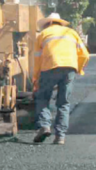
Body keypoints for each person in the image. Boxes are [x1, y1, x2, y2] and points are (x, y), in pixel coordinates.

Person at [32, 13, 89, 145]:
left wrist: (36, 79)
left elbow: (37, 59)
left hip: (49, 67)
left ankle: (44, 126)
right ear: (59, 23)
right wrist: (78, 69)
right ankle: (60, 137)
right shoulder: (71, 33)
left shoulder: (42, 34)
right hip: (69, 68)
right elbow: (85, 55)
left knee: (42, 98)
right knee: (63, 103)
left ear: (48, 23)